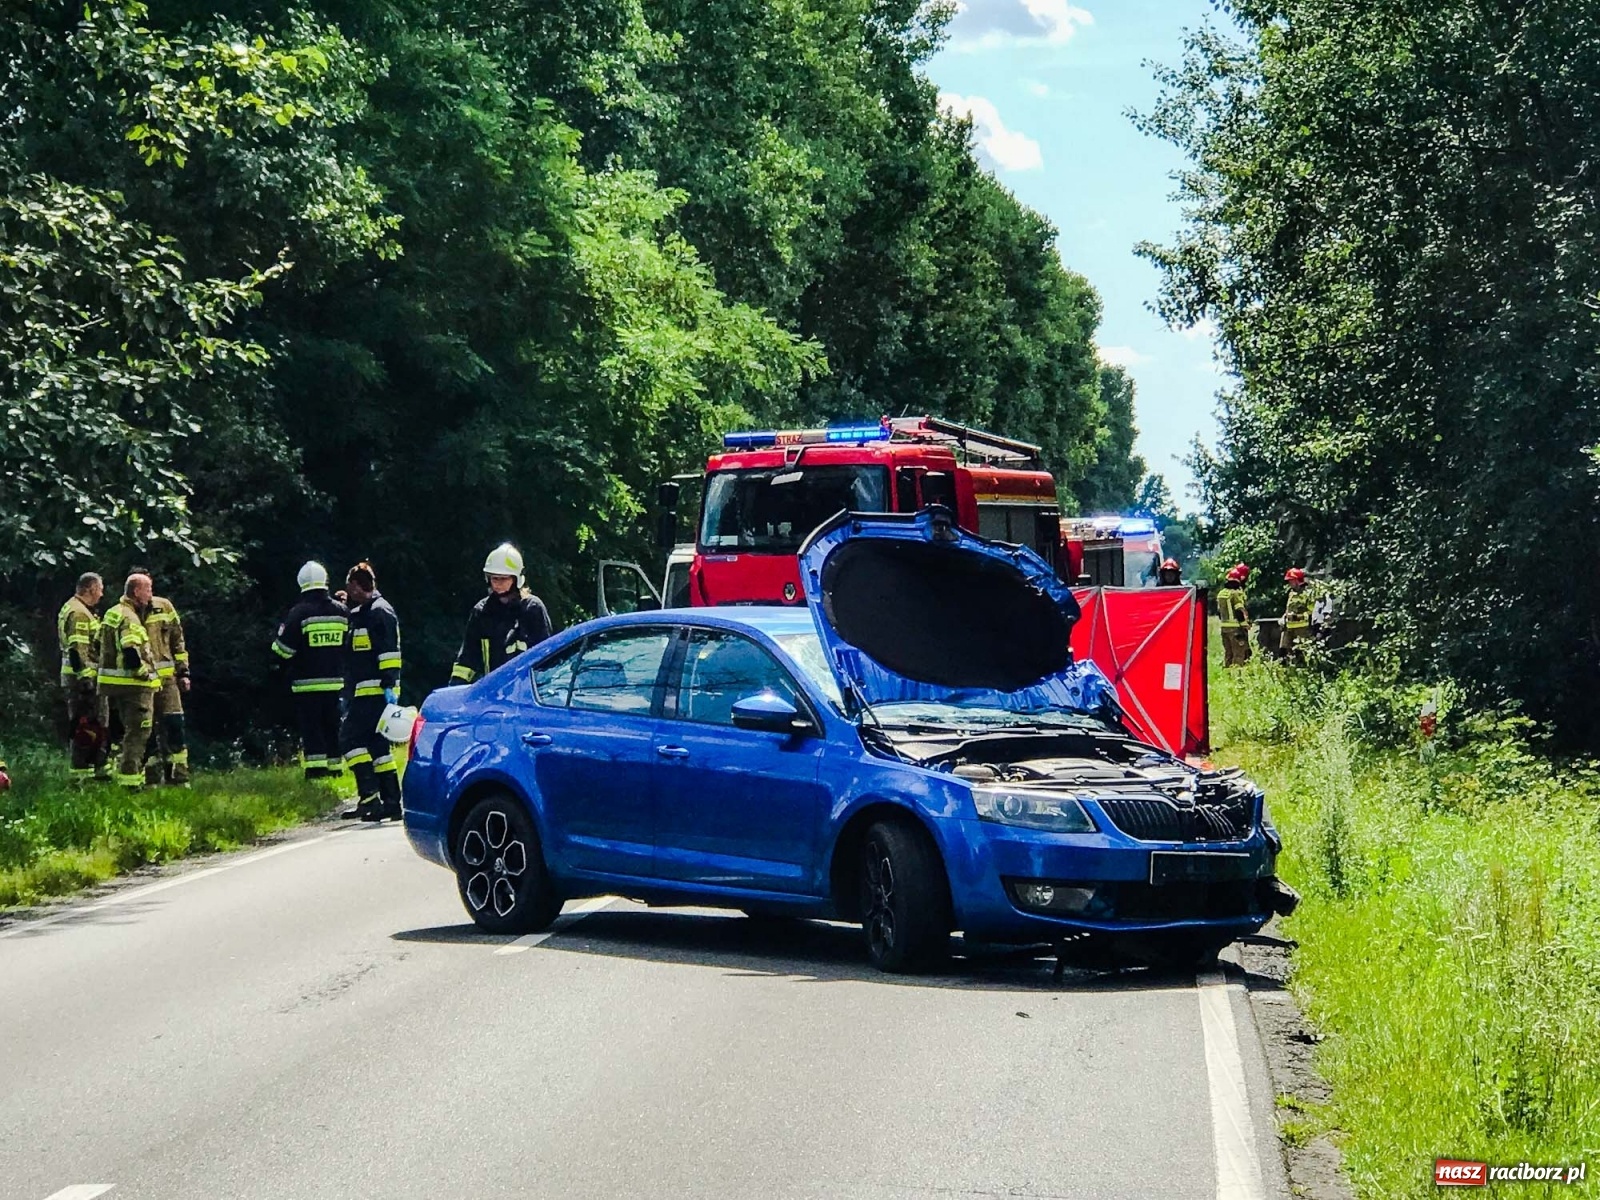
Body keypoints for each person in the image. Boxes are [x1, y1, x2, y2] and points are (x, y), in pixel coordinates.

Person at [271, 561, 350, 780]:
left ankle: (316, 771)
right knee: (332, 727)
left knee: (312, 728)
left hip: (307, 684)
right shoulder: (342, 611)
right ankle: (336, 769)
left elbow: (283, 650)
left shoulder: (299, 613)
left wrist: (278, 636)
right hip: (336, 682)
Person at [339, 561, 402, 821]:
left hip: (375, 693)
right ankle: (391, 802)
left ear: (356, 585)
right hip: (366, 693)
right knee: (378, 748)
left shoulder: (380, 612)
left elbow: (389, 653)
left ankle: (369, 798)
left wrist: (389, 684)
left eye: (349, 586)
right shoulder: (365, 612)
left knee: (348, 739)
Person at [449, 543, 554, 684]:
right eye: (494, 578)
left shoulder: (532, 609)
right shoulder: (481, 612)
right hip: (493, 692)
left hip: (527, 693)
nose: (498, 584)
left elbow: (546, 657)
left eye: (503, 579)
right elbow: (467, 660)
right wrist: (454, 691)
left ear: (516, 579)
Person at [98, 573, 160, 789]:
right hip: (133, 686)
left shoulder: (112, 613)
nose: (151, 595)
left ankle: (109, 773)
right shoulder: (130, 617)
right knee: (138, 731)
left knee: (120, 731)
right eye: (148, 589)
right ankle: (130, 783)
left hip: (112, 684)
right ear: (136, 591)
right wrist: (145, 674)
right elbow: (130, 650)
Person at [135, 567, 192, 785]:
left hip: (168, 680)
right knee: (146, 730)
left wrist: (183, 671)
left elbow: (178, 640)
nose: (150, 591)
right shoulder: (126, 612)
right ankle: (151, 776)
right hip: (142, 681)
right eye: (145, 587)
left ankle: (179, 776)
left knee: (174, 723)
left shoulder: (164, 606)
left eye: (150, 586)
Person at [57, 571, 110, 783]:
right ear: (90, 588)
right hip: (82, 681)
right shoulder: (79, 614)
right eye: (100, 589)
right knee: (87, 727)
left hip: (79, 679)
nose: (101, 595)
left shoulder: (74, 608)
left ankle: (91, 770)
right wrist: (86, 680)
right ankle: (84, 774)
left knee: (88, 725)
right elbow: (77, 650)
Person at [1216, 563, 1253, 667]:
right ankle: (1238, 675)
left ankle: (1227, 673)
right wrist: (1244, 624)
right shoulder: (1235, 593)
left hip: (1224, 628)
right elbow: (1238, 611)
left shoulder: (1221, 593)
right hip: (1236, 629)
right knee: (1239, 654)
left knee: (1228, 653)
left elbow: (1219, 612)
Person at [1281, 568, 1312, 659]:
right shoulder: (1291, 593)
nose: (1289, 583)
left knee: (1300, 652)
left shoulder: (1307, 594)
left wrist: (1297, 617)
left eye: (1291, 580)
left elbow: (1310, 612)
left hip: (1301, 629)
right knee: (1284, 652)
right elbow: (1288, 608)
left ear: (1297, 580)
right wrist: (1283, 618)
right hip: (1288, 628)